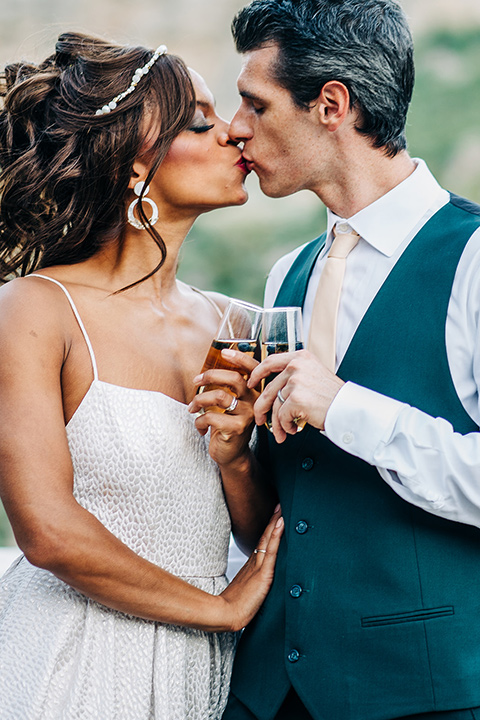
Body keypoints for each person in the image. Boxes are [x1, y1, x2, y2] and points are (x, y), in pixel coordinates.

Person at [0, 32, 284, 720]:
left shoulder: (239, 325)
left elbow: (258, 534)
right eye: (201, 122)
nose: (234, 133)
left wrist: (235, 460)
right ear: (133, 164)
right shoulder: (35, 310)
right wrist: (218, 608)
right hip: (75, 654)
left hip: (200, 671)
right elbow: (47, 531)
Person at [213, 1, 480, 718]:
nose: (235, 128)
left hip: (421, 692)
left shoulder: (474, 260)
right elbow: (295, 504)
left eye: (255, 103)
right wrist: (238, 447)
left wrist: (344, 408)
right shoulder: (286, 276)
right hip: (269, 691)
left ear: (331, 104)